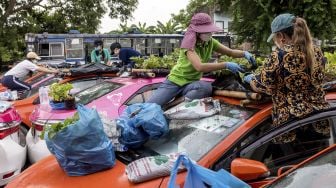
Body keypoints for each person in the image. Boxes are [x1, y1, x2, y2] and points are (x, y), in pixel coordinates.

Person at [243, 13, 330, 142]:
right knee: (318, 160)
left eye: (274, 38)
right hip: (318, 120)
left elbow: (263, 85)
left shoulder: (278, 55)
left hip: (291, 126)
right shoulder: (316, 51)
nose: (275, 41)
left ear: (281, 36)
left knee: (290, 162)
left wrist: (249, 78)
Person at [147, 13, 256, 106]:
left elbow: (230, 52)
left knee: (206, 88)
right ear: (197, 32)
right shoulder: (189, 44)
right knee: (150, 106)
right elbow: (199, 66)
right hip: (175, 82)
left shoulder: (211, 42)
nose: (209, 34)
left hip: (192, 84)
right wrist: (226, 64)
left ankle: (172, 106)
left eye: (210, 31)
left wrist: (244, 53)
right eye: (206, 32)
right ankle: (163, 106)